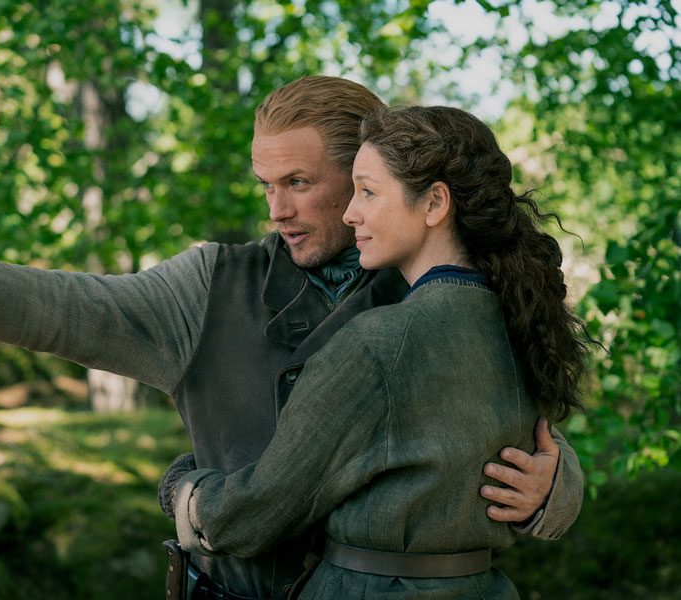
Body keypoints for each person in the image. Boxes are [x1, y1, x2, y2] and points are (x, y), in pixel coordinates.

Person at [0, 76, 582, 600]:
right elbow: (68, 307)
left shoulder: (432, 287)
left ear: (365, 175)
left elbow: (503, 421)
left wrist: (557, 488)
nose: (275, 209)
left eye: (300, 183)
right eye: (264, 185)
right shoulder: (212, 285)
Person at [169, 104, 592, 599]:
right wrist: (559, 490)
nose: (351, 213)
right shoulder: (520, 323)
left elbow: (257, 513)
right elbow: (544, 448)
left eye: (367, 192)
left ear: (435, 203)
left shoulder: (376, 344)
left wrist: (182, 491)